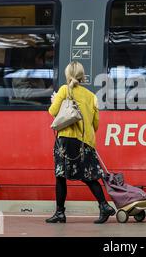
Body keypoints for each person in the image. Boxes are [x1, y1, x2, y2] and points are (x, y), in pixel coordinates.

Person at [46, 61, 116, 224]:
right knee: (90, 176)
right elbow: (96, 124)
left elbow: (53, 112)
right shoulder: (91, 96)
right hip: (87, 141)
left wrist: (55, 99)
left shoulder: (65, 90)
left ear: (68, 74)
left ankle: (60, 213)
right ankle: (104, 206)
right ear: (82, 75)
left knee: (61, 176)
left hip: (67, 139)